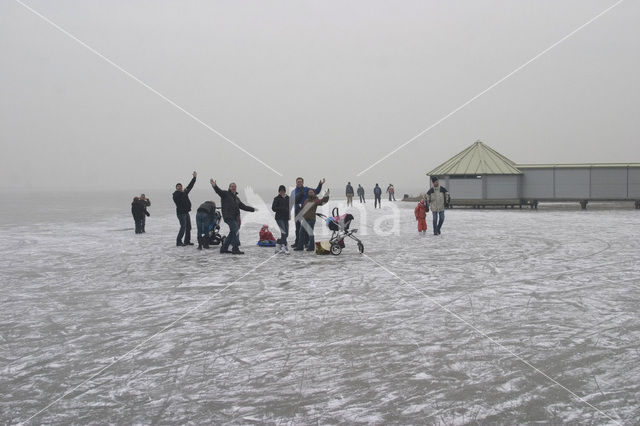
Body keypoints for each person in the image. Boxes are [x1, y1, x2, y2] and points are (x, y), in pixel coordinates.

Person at [211, 179, 256, 254]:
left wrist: (253, 209)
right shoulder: (225, 194)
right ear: (229, 187)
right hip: (228, 216)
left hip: (235, 217)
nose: (233, 188)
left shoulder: (236, 198)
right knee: (235, 231)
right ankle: (235, 248)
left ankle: (224, 248)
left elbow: (243, 206)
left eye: (234, 186)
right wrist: (214, 186)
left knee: (232, 232)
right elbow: (219, 191)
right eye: (232, 186)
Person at [291, 177, 325, 248]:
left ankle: (306, 242)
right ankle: (297, 242)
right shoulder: (294, 191)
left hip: (306, 212)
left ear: (303, 182)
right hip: (297, 211)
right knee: (298, 228)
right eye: (298, 182)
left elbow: (316, 191)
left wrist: (320, 184)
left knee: (305, 228)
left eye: (300, 182)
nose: (299, 183)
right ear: (296, 183)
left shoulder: (307, 189)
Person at [172, 171, 197, 246]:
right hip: (180, 213)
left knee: (188, 227)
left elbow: (190, 186)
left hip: (186, 212)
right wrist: (183, 192)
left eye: (180, 186)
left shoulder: (184, 192)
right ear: (176, 188)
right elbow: (178, 199)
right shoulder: (175, 194)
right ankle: (178, 241)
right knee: (183, 227)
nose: (179, 187)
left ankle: (187, 241)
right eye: (178, 186)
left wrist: (194, 178)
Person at [271, 185, 291, 255]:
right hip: (279, 218)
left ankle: (278, 245)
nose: (282, 192)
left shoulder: (288, 198)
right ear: (279, 191)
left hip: (286, 218)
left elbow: (290, 207)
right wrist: (281, 208)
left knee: (286, 234)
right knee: (283, 233)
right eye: (280, 191)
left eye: (283, 190)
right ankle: (285, 247)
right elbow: (273, 208)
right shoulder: (276, 198)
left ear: (285, 191)